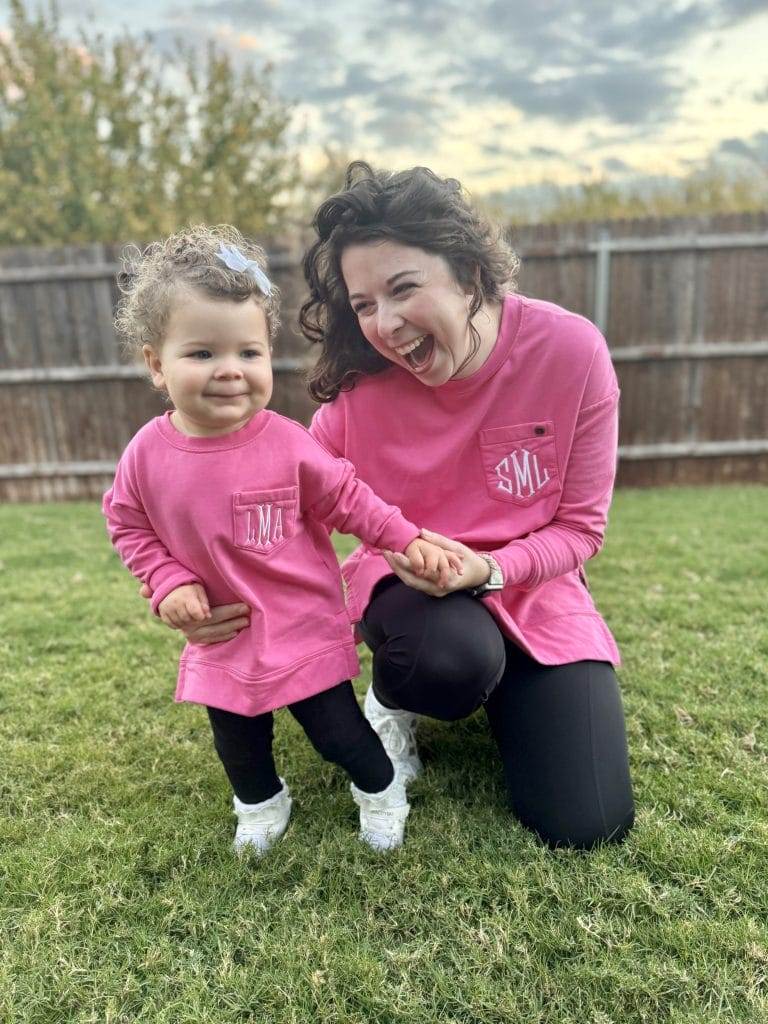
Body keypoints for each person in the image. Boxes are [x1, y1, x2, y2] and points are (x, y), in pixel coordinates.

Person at [165, 164, 636, 850]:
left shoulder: (571, 352)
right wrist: (196, 585)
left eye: (403, 288)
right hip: (409, 591)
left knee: (588, 823)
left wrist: (487, 570)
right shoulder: (359, 390)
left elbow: (580, 530)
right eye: (362, 304)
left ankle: (512, 690)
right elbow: (290, 502)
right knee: (448, 662)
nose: (383, 325)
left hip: (532, 588)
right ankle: (396, 703)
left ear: (470, 275)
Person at [103, 224, 463, 855]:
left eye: (249, 353)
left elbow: (351, 500)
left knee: (337, 733)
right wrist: (167, 583)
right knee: (238, 739)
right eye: (202, 354)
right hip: (224, 630)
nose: (230, 372)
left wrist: (405, 540)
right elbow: (128, 524)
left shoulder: (288, 443)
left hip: (301, 625)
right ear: (157, 365)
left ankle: (381, 790)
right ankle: (262, 803)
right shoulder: (145, 456)